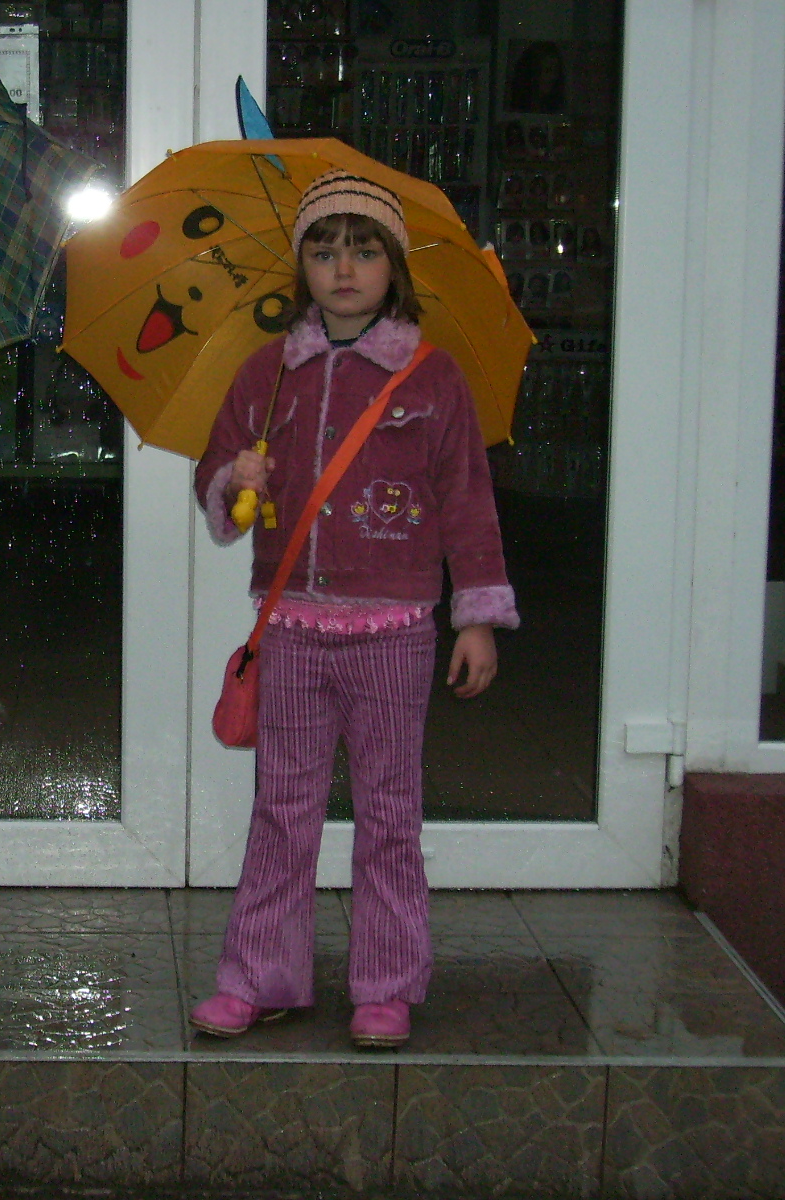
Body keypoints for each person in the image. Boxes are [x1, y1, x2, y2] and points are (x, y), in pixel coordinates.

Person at [188, 170, 519, 1049]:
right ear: (301, 266)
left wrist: (477, 616)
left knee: (389, 811)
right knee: (282, 808)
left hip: (395, 631)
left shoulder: (432, 377)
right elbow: (217, 487)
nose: (343, 270)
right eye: (325, 252)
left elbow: (467, 498)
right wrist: (234, 478)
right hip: (292, 627)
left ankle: (388, 982)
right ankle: (260, 976)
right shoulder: (266, 374)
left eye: (364, 252)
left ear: (393, 267)